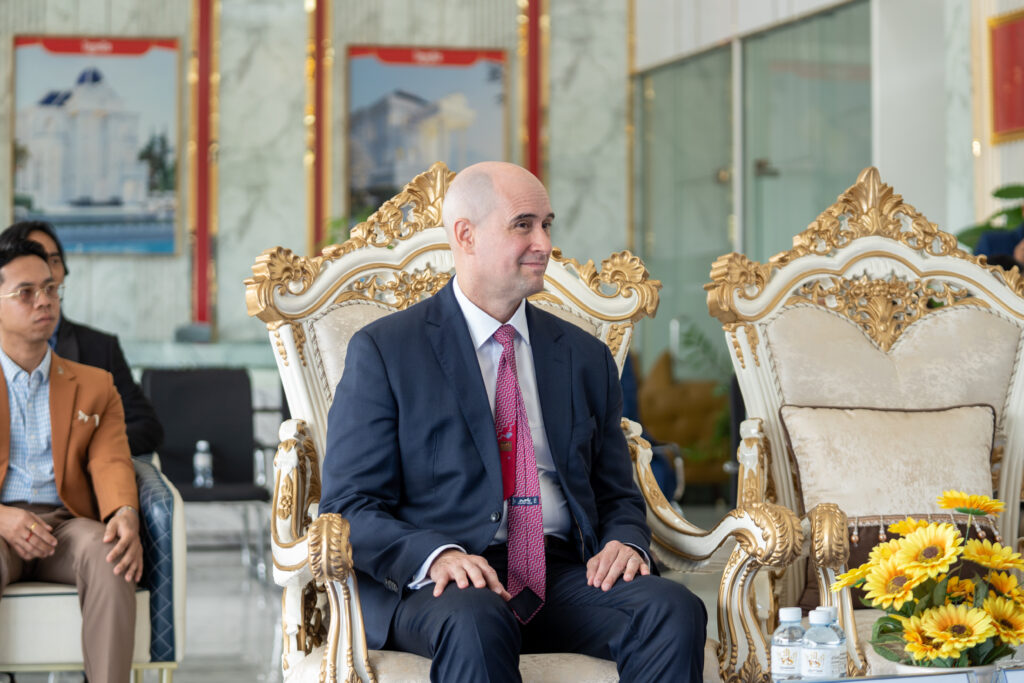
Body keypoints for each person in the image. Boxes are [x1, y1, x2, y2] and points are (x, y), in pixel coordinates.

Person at [320, 161, 707, 681]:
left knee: (672, 609)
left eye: (547, 224)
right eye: (523, 225)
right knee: (477, 620)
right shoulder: (387, 352)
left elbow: (615, 493)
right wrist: (435, 555)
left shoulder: (583, 356)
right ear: (466, 235)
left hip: (562, 573)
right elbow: (348, 506)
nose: (544, 244)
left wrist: (625, 541)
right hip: (443, 582)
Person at [0, 239, 142, 683]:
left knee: (112, 554)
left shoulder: (95, 385)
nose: (44, 300)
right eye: (25, 293)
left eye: (50, 289)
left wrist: (125, 512)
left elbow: (112, 460)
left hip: (66, 525)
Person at [0, 221, 163, 456]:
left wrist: (85, 451)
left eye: (52, 260)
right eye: (28, 258)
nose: (42, 269)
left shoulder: (100, 348)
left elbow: (146, 427)